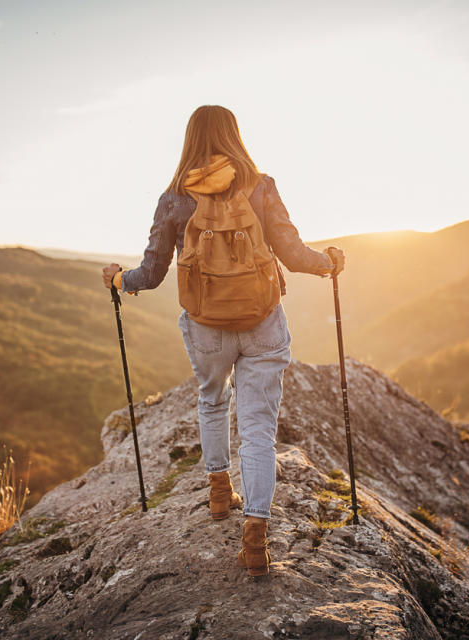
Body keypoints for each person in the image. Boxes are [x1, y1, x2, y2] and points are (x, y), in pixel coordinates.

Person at [101, 105, 344, 577]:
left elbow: (150, 274)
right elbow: (292, 254)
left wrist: (117, 281)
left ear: (189, 139)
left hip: (207, 325)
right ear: (235, 135)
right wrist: (328, 262)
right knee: (258, 428)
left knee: (213, 400)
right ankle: (255, 537)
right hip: (262, 321)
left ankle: (218, 493)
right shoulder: (260, 185)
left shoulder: (174, 197)